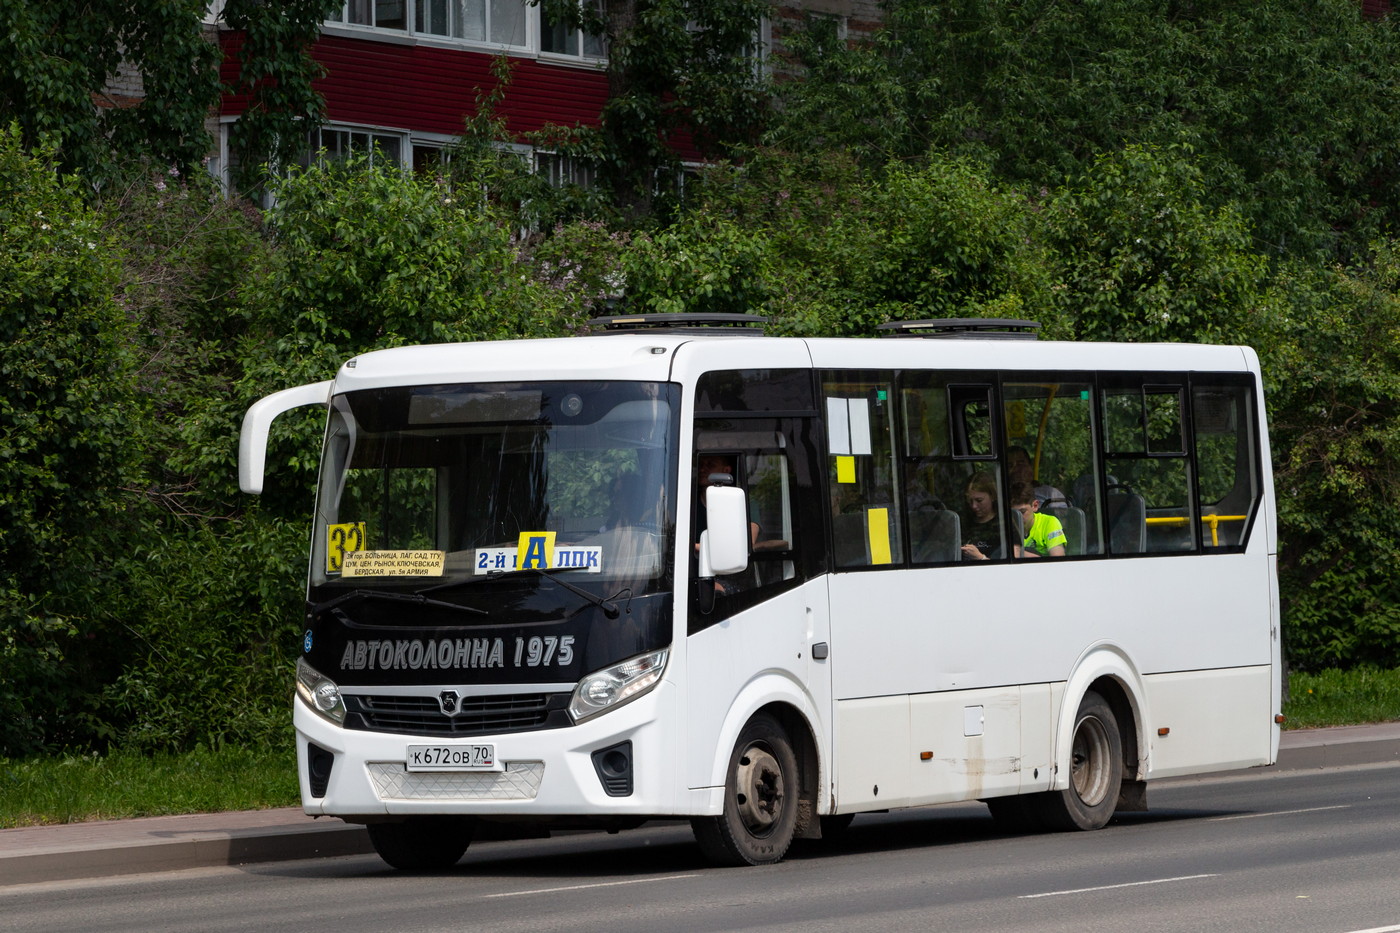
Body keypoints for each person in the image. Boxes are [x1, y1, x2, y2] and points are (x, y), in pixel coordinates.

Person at [1009, 480, 1067, 558]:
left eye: (1022, 512)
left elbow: (1058, 559)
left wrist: (1019, 552)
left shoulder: (1049, 523)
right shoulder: (1006, 527)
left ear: (1035, 506)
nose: (1017, 517)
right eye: (1013, 513)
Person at [1008, 445, 1068, 512]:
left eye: (1020, 464)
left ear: (1030, 467)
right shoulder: (999, 496)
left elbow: (1063, 520)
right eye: (1010, 465)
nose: (1015, 469)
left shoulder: (1050, 494)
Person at [961, 471, 1002, 561]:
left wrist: (980, 558)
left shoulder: (1004, 523)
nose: (974, 506)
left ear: (992, 496)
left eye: (979, 500)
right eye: (970, 501)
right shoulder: (964, 522)